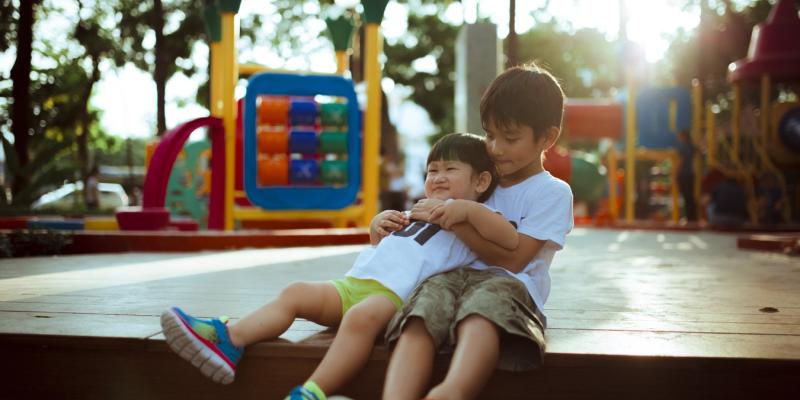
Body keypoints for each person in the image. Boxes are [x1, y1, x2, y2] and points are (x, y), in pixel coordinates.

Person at [159, 133, 519, 400]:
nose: (437, 177)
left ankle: (312, 392)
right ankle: (230, 340)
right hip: (355, 283)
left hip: (396, 299)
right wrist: (378, 225)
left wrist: (466, 211)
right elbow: (390, 246)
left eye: (450, 169)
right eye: (432, 170)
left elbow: (507, 238)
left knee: (360, 318)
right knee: (296, 292)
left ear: (481, 181)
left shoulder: (477, 219)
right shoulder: (419, 208)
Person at [382, 63, 574, 400]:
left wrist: (456, 220)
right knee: (422, 309)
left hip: (511, 286)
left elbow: (515, 260)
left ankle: (451, 392)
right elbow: (433, 212)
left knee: (481, 311)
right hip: (453, 275)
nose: (496, 148)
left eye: (510, 138)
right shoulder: (481, 179)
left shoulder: (552, 192)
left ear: (547, 137)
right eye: (489, 135)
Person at [676, 129, 698, 222]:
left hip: (684, 175)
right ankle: (692, 217)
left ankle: (689, 218)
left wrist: (676, 172)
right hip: (691, 174)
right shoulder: (692, 147)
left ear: (683, 137)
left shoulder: (683, 147)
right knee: (690, 197)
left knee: (686, 196)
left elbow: (681, 161)